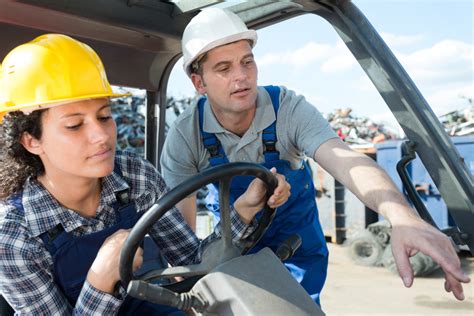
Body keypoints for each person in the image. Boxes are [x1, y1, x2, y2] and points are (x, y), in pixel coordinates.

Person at [160, 7, 471, 305]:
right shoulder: (186, 136)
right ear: (198, 82)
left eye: (247, 61)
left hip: (295, 247)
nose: (242, 77)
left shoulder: (289, 110)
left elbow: (347, 162)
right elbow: (182, 239)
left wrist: (401, 216)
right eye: (224, 68)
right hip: (232, 247)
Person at [0, 34, 291, 315]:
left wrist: (242, 212)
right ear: (31, 141)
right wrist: (100, 282)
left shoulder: (134, 175)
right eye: (75, 125)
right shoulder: (13, 236)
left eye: (104, 116)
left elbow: (193, 262)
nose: (101, 135)